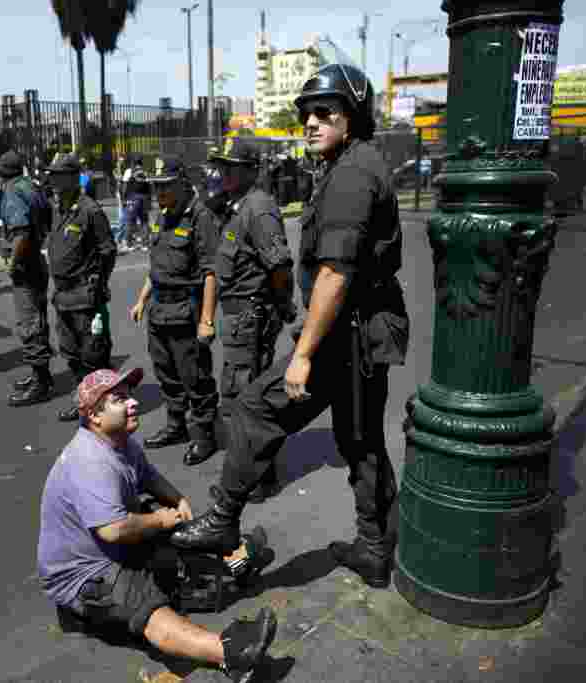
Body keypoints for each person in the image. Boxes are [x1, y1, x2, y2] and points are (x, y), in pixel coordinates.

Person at [170, 61, 411, 592]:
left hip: (347, 335)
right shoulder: (354, 162)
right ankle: (375, 548)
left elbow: (334, 273)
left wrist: (302, 354)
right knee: (361, 441)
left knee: (257, 407)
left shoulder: (352, 173)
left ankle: (223, 517)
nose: (311, 122)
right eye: (306, 114)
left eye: (325, 112)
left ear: (353, 115)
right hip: (361, 332)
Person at [37, 367, 277, 683]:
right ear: (94, 416)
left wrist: (177, 501)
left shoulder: (119, 441)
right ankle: (230, 653)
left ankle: (236, 559)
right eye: (119, 399)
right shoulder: (89, 461)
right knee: (144, 601)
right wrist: (162, 519)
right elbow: (113, 529)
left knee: (164, 520)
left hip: (112, 547)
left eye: (130, 395)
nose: (133, 403)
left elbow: (148, 476)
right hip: (84, 574)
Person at [207, 137, 296, 503]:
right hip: (238, 316)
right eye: (222, 166)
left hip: (250, 316)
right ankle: (253, 472)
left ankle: (254, 479)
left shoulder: (257, 208)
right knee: (242, 396)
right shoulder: (236, 206)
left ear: (251, 170)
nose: (224, 173)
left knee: (245, 398)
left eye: (232, 167)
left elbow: (279, 266)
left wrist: (282, 305)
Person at [129, 156, 221, 466]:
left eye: (166, 186)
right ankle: (176, 426)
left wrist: (207, 320)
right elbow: (157, 266)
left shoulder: (200, 217)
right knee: (166, 373)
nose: (159, 193)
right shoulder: (163, 215)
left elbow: (211, 272)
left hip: (186, 309)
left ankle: (205, 435)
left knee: (194, 376)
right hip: (159, 309)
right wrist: (142, 300)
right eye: (156, 187)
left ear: (183, 183)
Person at [45, 154, 118, 421]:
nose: (53, 180)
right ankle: (85, 402)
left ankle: (106, 406)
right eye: (52, 175)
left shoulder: (90, 210)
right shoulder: (58, 208)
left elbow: (108, 250)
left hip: (85, 296)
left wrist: (99, 281)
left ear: (74, 178)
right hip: (63, 296)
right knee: (71, 353)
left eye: (59, 175)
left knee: (93, 355)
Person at [0, 151, 56, 406]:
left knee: (29, 323)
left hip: (26, 263)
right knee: (37, 320)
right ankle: (41, 375)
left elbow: (20, 232)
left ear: (1, 172)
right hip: (36, 259)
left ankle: (41, 383)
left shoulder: (12, 190)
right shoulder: (32, 186)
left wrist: (12, 264)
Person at [120, 155, 151, 251]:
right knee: (144, 221)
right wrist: (149, 201)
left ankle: (130, 244)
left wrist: (123, 199)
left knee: (129, 221)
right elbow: (149, 187)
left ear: (133, 162)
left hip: (133, 198)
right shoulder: (145, 172)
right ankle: (145, 244)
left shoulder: (129, 171)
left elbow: (125, 186)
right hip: (144, 199)